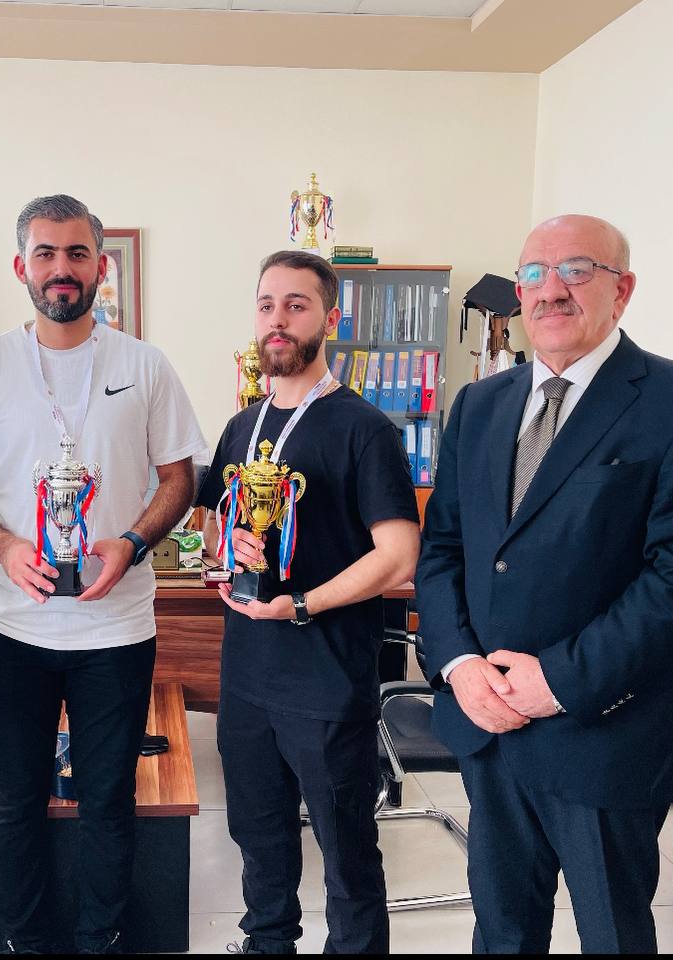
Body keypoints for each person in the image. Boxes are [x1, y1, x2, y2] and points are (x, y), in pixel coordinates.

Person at [415, 215, 673, 953]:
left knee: (613, 936)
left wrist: (559, 681)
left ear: (621, 290)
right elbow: (443, 550)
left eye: (575, 269)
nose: (550, 289)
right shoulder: (480, 405)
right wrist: (459, 663)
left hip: (607, 732)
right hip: (489, 726)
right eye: (533, 273)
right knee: (502, 932)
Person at [0, 194, 207, 954]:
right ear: (21, 266)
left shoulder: (144, 365)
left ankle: (98, 939)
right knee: (14, 800)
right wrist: (3, 547)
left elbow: (179, 479)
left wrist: (133, 541)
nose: (61, 268)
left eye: (77, 253)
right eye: (45, 253)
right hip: (9, 625)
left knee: (108, 800)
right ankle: (27, 940)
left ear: (100, 267)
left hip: (115, 628)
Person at [196, 250, 421, 955]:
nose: (278, 319)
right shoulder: (243, 426)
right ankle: (268, 943)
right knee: (258, 835)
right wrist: (227, 545)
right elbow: (211, 530)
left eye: (296, 305)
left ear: (330, 318)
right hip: (248, 674)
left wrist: (303, 604)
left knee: (345, 848)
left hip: (325, 676)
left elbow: (398, 555)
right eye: (267, 305)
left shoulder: (363, 428)